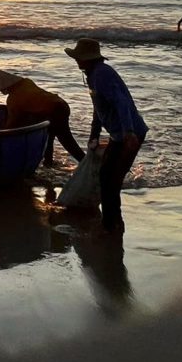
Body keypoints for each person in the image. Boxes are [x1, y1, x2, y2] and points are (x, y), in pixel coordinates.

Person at [64, 38, 148, 235]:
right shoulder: (93, 75)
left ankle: (111, 226)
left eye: (79, 58)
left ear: (87, 59)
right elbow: (99, 110)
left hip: (129, 134)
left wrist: (128, 132)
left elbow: (121, 103)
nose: (77, 61)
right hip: (119, 135)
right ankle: (112, 222)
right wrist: (94, 135)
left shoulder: (102, 75)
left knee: (111, 180)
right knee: (106, 176)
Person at [0, 70, 85, 165]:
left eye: (1, 89)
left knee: (66, 141)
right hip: (61, 104)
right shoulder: (27, 83)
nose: (1, 91)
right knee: (53, 136)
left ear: (6, 87)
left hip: (53, 111)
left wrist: (1, 137)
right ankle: (49, 162)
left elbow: (12, 122)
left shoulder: (14, 99)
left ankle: (87, 163)